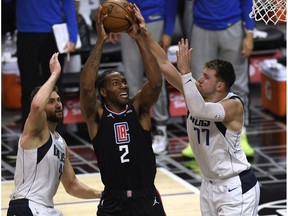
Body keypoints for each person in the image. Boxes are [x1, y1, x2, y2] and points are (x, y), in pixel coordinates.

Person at [132, 6, 260, 214]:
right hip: (208, 186)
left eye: (206, 77)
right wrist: (143, 34)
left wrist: (185, 72)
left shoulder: (233, 105)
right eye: (201, 74)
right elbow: (164, 63)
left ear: (220, 86)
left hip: (236, 186)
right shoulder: (196, 93)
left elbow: (200, 111)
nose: (199, 79)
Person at [79, 5, 166, 216]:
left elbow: (155, 83)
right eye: (116, 83)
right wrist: (100, 41)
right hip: (113, 200)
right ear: (104, 91)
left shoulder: (138, 110)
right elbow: (87, 87)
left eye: (124, 82)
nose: (124, 86)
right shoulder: (97, 116)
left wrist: (139, 39)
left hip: (145, 197)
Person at [7, 53, 101, 216]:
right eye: (51, 101)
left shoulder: (60, 142)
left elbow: (72, 185)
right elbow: (36, 105)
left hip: (46, 209)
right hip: (26, 206)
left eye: (58, 100)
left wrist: (100, 194)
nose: (57, 104)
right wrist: (55, 73)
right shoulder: (34, 132)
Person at [181, 0, 255, 158]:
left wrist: (249, 32)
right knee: (199, 85)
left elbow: (247, 2)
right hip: (201, 27)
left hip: (233, 27)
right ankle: (197, 135)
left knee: (238, 84)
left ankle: (241, 134)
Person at [109, 0, 179, 155]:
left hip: (154, 18)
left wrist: (168, 31)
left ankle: (161, 130)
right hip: (127, 19)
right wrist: (114, 22)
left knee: (155, 80)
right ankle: (136, 130)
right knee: (130, 81)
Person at [16, 0, 78, 128]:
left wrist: (73, 36)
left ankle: (57, 135)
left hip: (53, 33)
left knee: (55, 87)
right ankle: (28, 136)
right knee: (28, 87)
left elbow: (68, 4)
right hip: (26, 33)